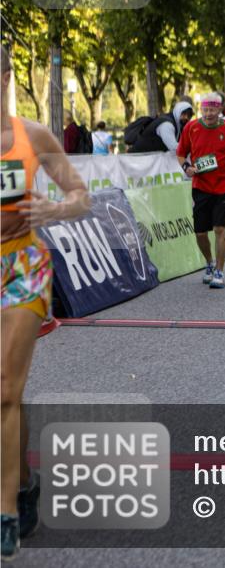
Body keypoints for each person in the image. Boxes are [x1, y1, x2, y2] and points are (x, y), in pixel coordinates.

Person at [1, 45, 91, 560]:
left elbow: (82, 196)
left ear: (7, 76)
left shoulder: (32, 135)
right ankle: (27, 479)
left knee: (6, 388)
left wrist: (52, 209)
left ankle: (7, 510)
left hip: (22, 267)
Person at [176, 92, 225, 290]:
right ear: (201, 109)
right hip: (200, 186)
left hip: (224, 186)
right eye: (205, 109)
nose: (208, 113)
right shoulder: (191, 128)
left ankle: (219, 270)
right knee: (200, 232)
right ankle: (209, 262)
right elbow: (181, 153)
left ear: (219, 110)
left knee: (220, 229)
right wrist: (187, 168)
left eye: (212, 109)